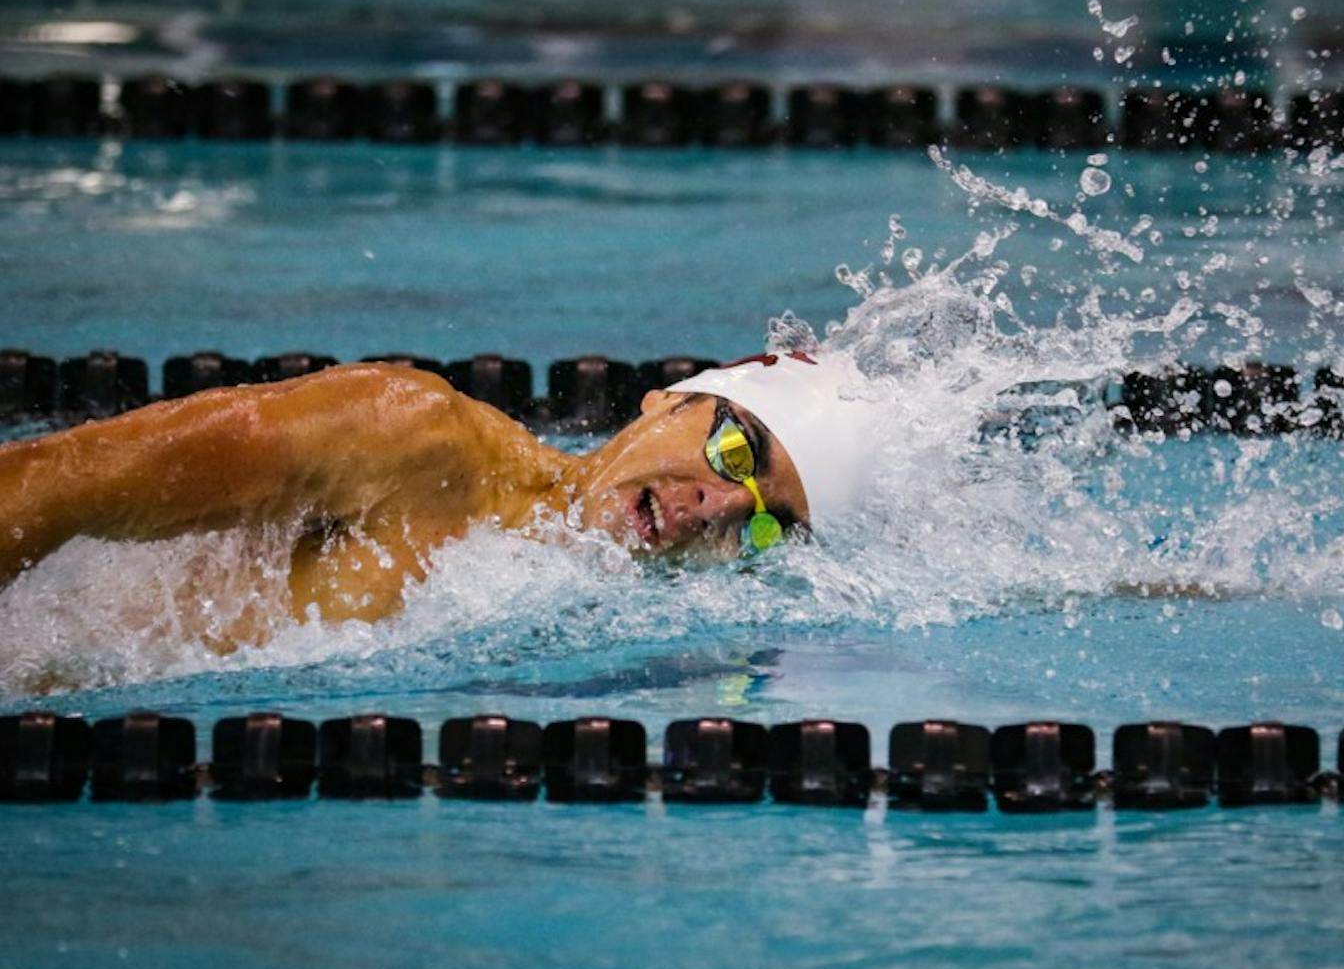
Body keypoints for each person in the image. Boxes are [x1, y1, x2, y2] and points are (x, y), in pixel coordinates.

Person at [0, 351, 877, 648]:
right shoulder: (411, 438)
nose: (718, 503)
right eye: (734, 448)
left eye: (764, 520)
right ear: (666, 398)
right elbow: (49, 486)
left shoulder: (599, 622)